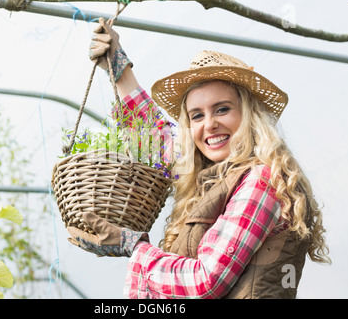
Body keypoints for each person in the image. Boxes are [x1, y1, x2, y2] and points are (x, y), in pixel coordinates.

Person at [67, 18, 331, 299]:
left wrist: (132, 247)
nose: (209, 124)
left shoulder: (261, 181)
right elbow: (157, 137)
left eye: (222, 109)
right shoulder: (220, 175)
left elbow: (206, 282)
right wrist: (117, 67)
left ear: (249, 116)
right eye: (197, 116)